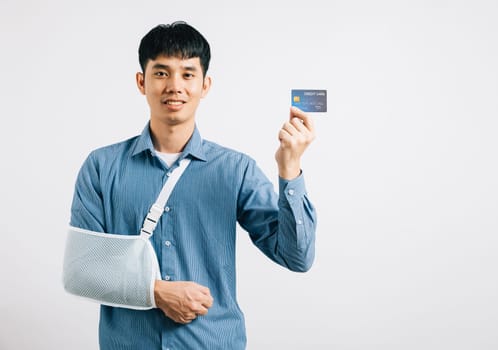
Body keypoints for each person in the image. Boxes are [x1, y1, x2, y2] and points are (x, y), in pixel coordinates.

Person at [69, 21, 317, 349]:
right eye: (161, 73)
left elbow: (296, 257)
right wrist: (155, 292)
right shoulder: (101, 167)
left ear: (205, 85)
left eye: (188, 74)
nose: (175, 85)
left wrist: (290, 168)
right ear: (141, 82)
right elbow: (83, 271)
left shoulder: (236, 170)